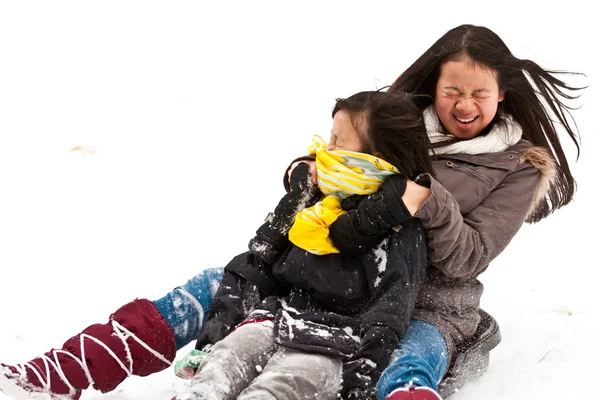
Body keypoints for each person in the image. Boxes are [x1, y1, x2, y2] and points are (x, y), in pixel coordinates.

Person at [0, 24, 584, 400]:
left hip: (426, 302)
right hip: (331, 276)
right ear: (435, 87)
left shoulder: (518, 166)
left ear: (501, 93)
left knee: (404, 366)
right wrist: (307, 174)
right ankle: (62, 373)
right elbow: (331, 159)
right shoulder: (389, 121)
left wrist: (427, 200)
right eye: (453, 90)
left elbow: (468, 258)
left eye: (480, 94)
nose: (465, 105)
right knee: (212, 286)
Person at [174, 90, 434, 400]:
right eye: (330, 137)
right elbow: (256, 270)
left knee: (282, 386)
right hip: (274, 318)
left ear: (374, 158)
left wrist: (362, 374)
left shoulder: (398, 229)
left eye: (339, 141)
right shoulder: (317, 206)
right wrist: (214, 338)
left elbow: (390, 309)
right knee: (225, 361)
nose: (327, 149)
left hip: (333, 342)